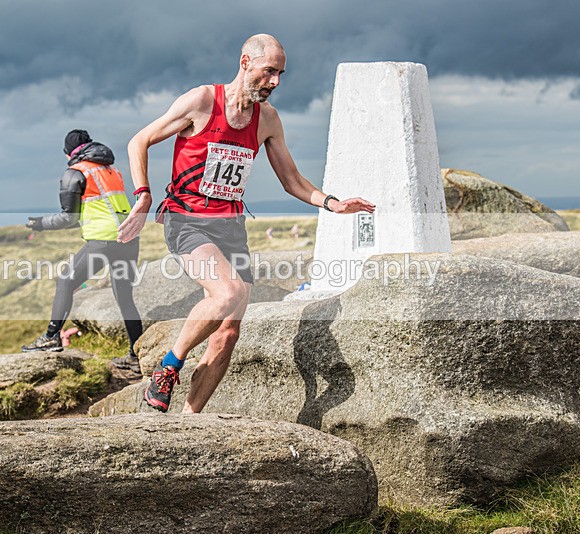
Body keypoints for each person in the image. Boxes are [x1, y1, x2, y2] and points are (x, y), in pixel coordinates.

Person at [117, 34, 376, 413]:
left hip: (230, 226)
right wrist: (143, 194)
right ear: (244, 63)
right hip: (187, 221)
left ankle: (188, 421)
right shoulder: (202, 101)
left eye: (280, 74)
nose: (275, 82)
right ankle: (168, 367)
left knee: (228, 333)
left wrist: (333, 204)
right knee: (227, 294)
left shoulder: (267, 120)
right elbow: (139, 141)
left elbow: (292, 180)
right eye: (269, 71)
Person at [20, 129, 144, 374]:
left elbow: (69, 217)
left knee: (65, 280)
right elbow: (99, 210)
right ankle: (136, 356)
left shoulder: (74, 173)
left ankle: (51, 337)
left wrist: (41, 224)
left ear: (68, 153)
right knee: (125, 298)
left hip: (103, 240)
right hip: (128, 238)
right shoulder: (111, 170)